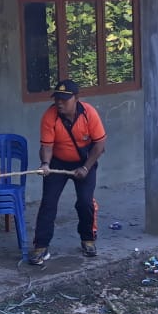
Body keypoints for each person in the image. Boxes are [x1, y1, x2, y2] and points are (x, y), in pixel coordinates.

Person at [28, 80, 108, 264]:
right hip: (58, 162)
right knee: (48, 202)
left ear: (76, 98)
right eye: (57, 98)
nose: (59, 103)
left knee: (85, 202)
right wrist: (45, 164)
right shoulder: (49, 116)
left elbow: (100, 144)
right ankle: (41, 246)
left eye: (64, 99)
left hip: (85, 162)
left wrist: (86, 167)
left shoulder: (89, 113)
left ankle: (87, 239)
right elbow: (46, 146)